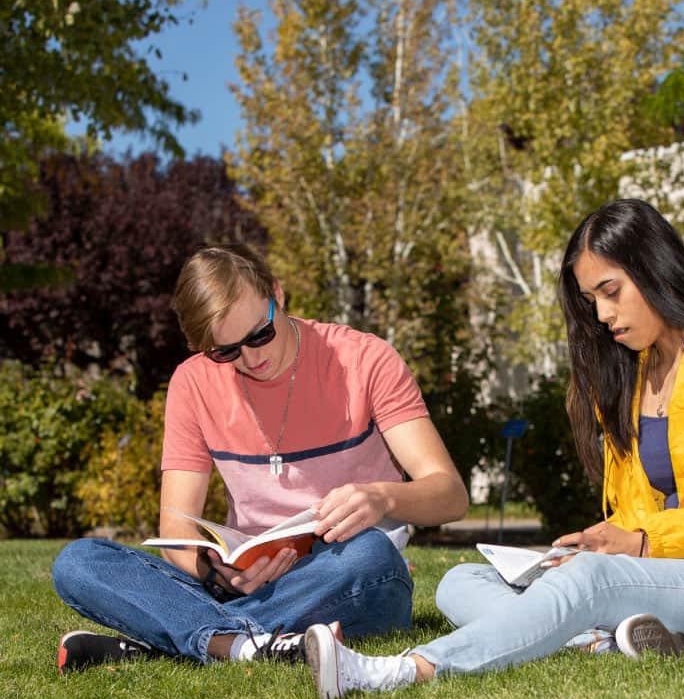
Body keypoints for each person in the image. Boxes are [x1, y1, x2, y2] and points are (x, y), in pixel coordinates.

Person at [300, 198, 684, 699]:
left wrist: (639, 544)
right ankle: (601, 641)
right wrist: (594, 545)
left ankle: (398, 670)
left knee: (591, 580)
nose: (601, 314)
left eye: (611, 290)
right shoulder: (633, 371)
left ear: (655, 268)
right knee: (463, 582)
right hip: (673, 570)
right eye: (590, 300)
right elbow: (636, 512)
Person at [52, 243, 468, 672]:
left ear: (277, 294)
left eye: (260, 334)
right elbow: (175, 532)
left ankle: (192, 642)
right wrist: (215, 575)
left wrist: (383, 498)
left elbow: (450, 495)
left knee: (372, 554)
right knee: (79, 563)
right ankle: (255, 644)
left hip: (347, 580)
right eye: (226, 352)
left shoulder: (365, 359)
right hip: (243, 588)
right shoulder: (192, 384)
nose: (252, 359)